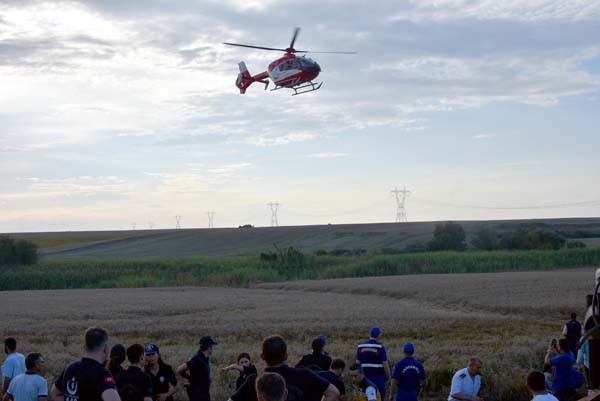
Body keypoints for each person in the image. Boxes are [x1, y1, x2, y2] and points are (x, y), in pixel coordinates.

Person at [229, 335, 339, 401]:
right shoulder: (304, 375)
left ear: (262, 356)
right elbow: (334, 393)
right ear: (286, 356)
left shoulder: (254, 381)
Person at [50, 327, 120, 401]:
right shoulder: (102, 374)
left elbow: (55, 394)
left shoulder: (70, 368)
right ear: (106, 349)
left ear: (85, 347)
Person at [177, 336, 217, 401]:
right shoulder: (198, 358)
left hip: (204, 393)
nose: (212, 349)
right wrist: (188, 377)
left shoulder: (205, 358)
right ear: (208, 347)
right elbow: (179, 369)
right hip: (197, 395)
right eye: (211, 346)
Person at [356, 328, 391, 400]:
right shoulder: (380, 347)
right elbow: (385, 364)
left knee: (363, 398)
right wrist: (389, 378)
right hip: (378, 378)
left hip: (364, 378)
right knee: (379, 397)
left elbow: (357, 364)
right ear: (378, 335)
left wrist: (356, 378)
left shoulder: (360, 347)